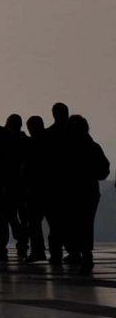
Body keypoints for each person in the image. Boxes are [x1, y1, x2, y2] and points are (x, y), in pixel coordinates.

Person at [63, 116, 110, 275]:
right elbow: (104, 171)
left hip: (70, 191)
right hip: (89, 191)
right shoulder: (93, 147)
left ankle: (76, 252)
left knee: (71, 223)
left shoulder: (66, 148)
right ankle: (85, 254)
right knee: (85, 224)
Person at [0, 114, 28, 261]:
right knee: (19, 217)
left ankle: (2, 246)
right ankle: (22, 243)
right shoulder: (25, 142)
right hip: (21, 185)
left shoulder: (3, 141)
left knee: (4, 219)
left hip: (5, 184)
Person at [43, 102, 73, 264]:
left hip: (52, 187)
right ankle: (73, 251)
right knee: (70, 223)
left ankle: (56, 254)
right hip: (70, 187)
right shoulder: (74, 135)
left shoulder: (48, 135)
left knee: (55, 225)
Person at [20, 114, 49, 262]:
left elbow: (26, 168)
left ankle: (38, 251)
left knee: (34, 223)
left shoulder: (31, 145)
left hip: (35, 190)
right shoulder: (50, 142)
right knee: (56, 223)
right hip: (50, 188)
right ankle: (56, 252)